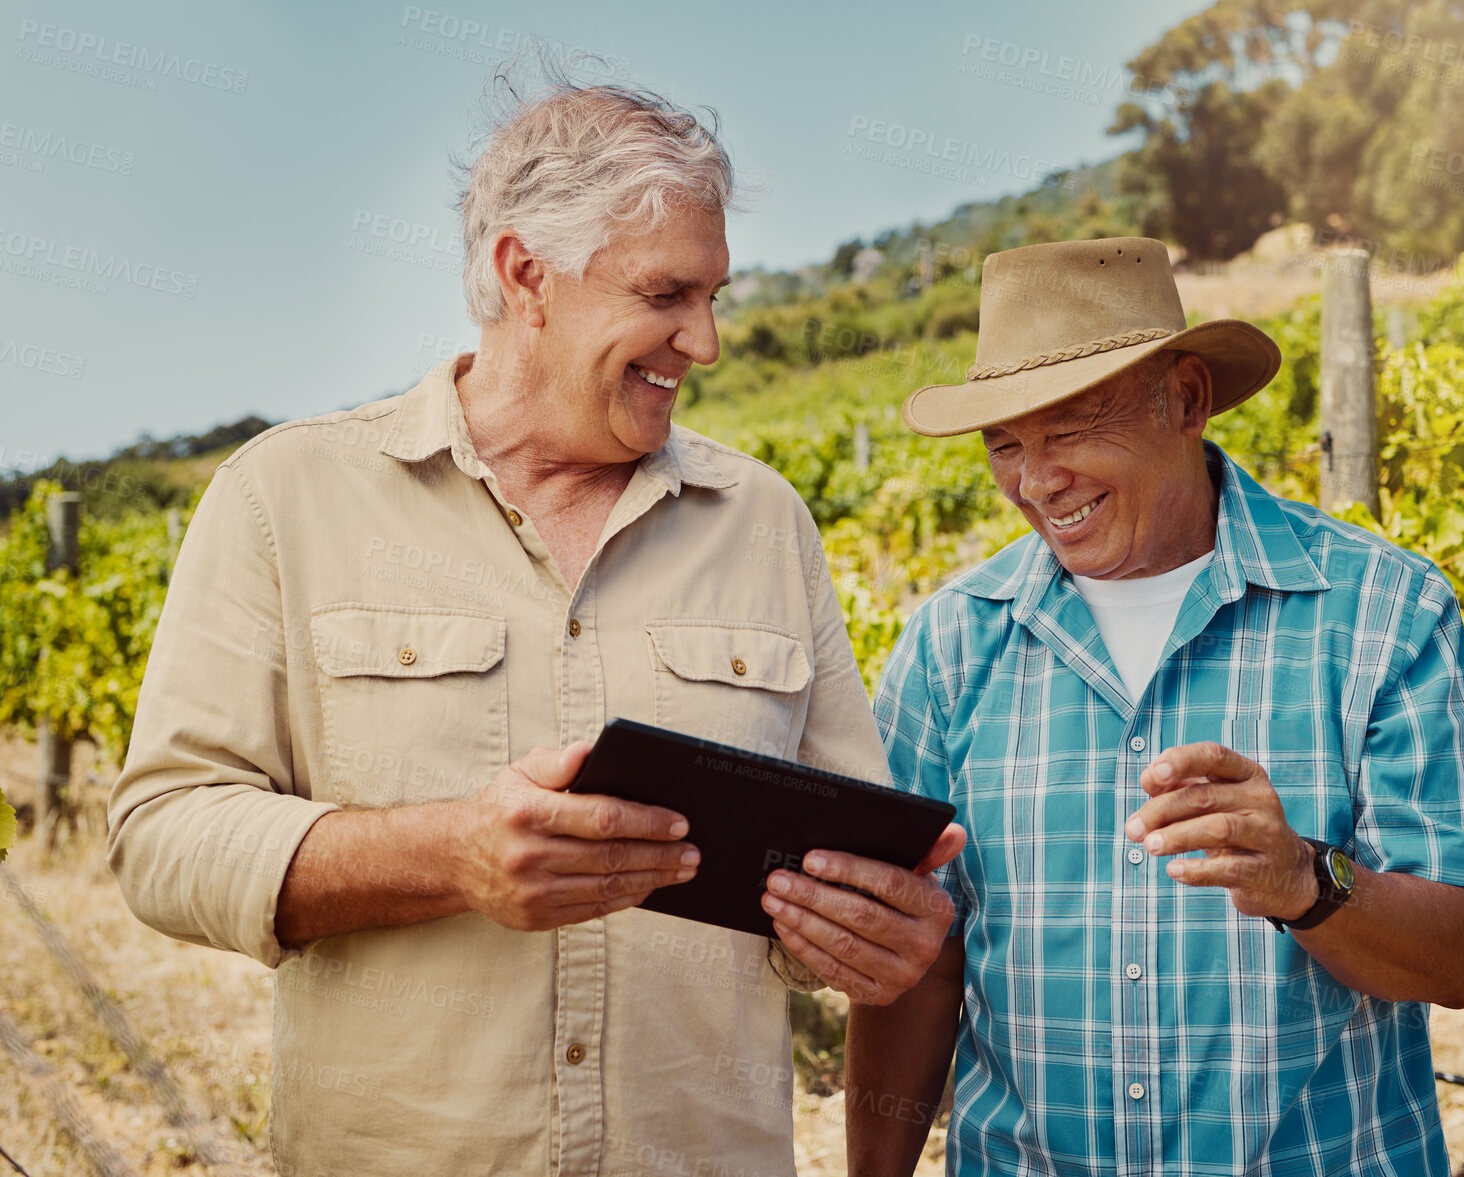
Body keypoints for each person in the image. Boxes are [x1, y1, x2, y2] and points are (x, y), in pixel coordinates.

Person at [107, 78, 961, 1177]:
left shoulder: (765, 522)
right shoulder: (285, 497)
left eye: (713, 295)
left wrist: (870, 931)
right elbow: (163, 837)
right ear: (526, 277)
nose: (702, 340)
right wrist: (449, 855)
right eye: (666, 293)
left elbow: (835, 879)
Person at [847, 237, 1464, 1176]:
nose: (1036, 481)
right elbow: (916, 960)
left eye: (1071, 429)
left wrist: (1306, 880)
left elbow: (1462, 958)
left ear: (1188, 399)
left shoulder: (1381, 612)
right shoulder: (950, 644)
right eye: (1005, 443)